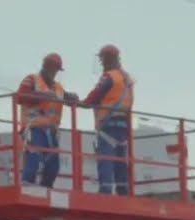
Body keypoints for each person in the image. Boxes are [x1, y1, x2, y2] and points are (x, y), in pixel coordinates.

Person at [82, 44, 136, 195]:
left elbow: (94, 96)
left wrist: (79, 103)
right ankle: (123, 191)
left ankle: (105, 190)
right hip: (123, 125)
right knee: (120, 161)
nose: (102, 63)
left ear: (107, 59)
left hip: (108, 125)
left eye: (102, 60)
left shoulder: (109, 76)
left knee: (106, 159)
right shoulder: (127, 78)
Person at [17, 53, 77, 188]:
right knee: (34, 157)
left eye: (56, 70)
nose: (54, 73)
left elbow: (64, 97)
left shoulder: (58, 88)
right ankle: (27, 185)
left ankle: (46, 188)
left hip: (50, 132)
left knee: (53, 164)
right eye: (53, 69)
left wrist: (72, 97)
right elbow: (20, 97)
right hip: (34, 127)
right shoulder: (32, 79)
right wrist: (42, 96)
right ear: (46, 67)